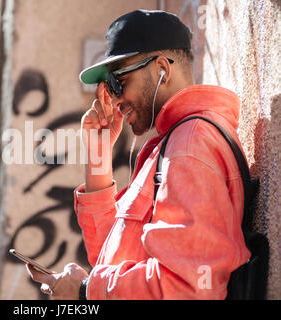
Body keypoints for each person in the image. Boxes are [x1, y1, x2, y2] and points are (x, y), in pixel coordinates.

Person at [26, 9, 250, 300]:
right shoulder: (174, 143)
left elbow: (189, 289)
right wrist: (99, 156)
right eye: (109, 86)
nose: (115, 99)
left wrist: (84, 291)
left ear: (162, 70)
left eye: (119, 81)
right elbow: (113, 252)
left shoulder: (188, 147)